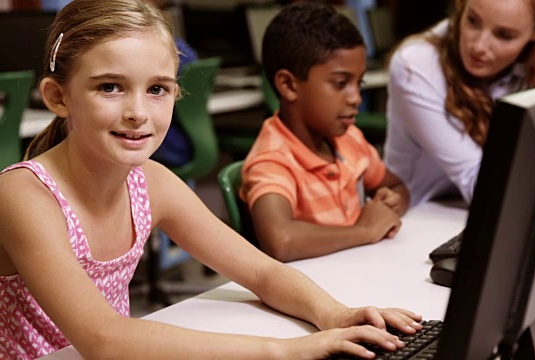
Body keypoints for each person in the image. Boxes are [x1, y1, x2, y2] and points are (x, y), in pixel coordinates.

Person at [0, 0, 423, 359]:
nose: (138, 112)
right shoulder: (23, 195)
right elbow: (103, 339)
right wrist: (284, 349)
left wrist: (333, 314)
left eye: (158, 89)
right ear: (58, 97)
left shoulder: (151, 182)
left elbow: (261, 272)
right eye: (110, 87)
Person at [240, 2, 410, 263]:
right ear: (288, 85)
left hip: (358, 271)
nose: (356, 98)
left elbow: (396, 185)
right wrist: (363, 230)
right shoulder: (273, 159)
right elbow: (280, 240)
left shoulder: (349, 138)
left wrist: (390, 202)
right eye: (340, 83)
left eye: (359, 82)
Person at [384, 0, 535, 206]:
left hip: (481, 212)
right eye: (473, 21)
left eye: (504, 35)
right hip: (418, 216)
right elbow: (482, 186)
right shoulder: (416, 66)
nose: (479, 46)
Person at [147, 0, 197, 168]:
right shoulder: (185, 49)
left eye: (155, 89)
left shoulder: (167, 48)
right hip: (186, 140)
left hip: (173, 144)